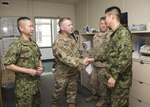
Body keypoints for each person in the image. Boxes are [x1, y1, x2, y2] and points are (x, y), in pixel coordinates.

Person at [51, 17, 94, 107]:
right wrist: (82, 61)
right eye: (69, 25)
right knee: (59, 89)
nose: (72, 26)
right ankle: (54, 102)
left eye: (71, 24)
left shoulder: (71, 37)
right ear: (62, 28)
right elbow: (65, 58)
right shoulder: (59, 41)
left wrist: (82, 58)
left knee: (72, 88)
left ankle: (71, 103)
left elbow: (76, 52)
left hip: (74, 70)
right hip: (62, 72)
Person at [4, 17, 43, 107]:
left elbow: (38, 57)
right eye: (30, 26)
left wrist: (40, 67)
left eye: (33, 26)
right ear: (21, 28)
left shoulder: (33, 44)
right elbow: (8, 65)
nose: (33, 28)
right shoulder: (16, 45)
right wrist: (28, 71)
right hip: (24, 87)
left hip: (36, 85)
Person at [97, 6, 132, 107]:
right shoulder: (115, 34)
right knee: (110, 103)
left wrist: (114, 76)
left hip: (120, 81)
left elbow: (125, 58)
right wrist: (94, 58)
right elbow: (108, 53)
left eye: (106, 17)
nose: (104, 20)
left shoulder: (123, 33)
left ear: (112, 17)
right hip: (112, 79)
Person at [85, 17, 112, 107]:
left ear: (107, 24)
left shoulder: (110, 35)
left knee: (102, 83)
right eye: (101, 23)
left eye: (104, 23)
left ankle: (103, 99)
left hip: (104, 65)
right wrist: (89, 58)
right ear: (99, 24)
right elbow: (94, 49)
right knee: (92, 81)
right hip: (94, 63)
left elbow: (110, 52)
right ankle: (94, 95)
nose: (103, 25)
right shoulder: (96, 35)